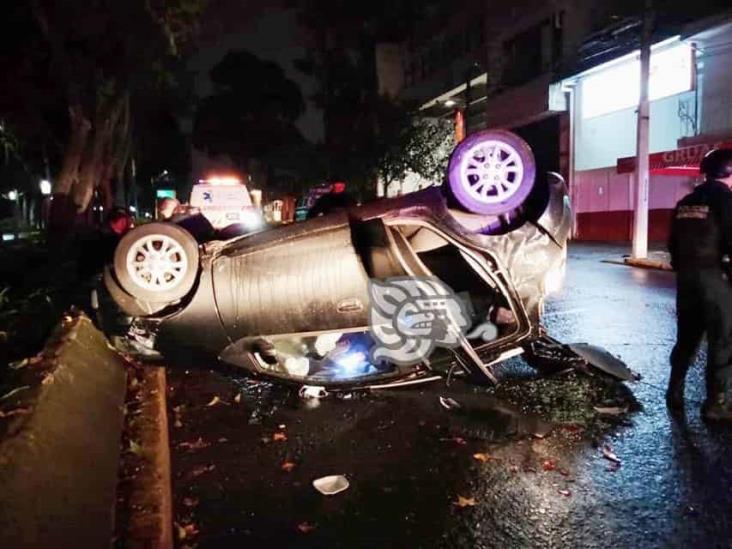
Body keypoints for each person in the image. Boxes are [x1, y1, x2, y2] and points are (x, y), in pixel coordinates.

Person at [667, 148, 732, 421]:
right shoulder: (727, 200)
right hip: (716, 279)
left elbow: (673, 246)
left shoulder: (686, 201)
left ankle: (674, 391)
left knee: (687, 339)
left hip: (687, 280)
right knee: (722, 340)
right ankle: (716, 404)